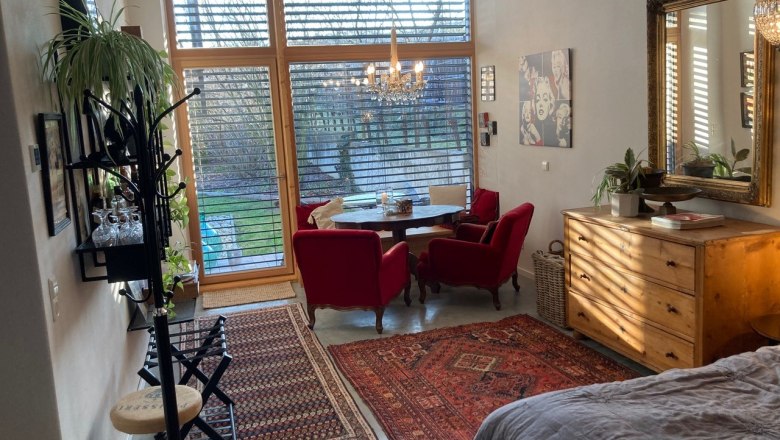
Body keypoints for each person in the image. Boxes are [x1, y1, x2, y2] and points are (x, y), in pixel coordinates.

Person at [533, 76, 557, 145]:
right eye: (537, 99)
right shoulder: (532, 129)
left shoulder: (555, 131)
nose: (540, 104)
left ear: (551, 103)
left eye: (545, 99)